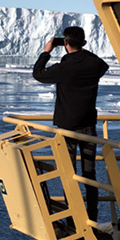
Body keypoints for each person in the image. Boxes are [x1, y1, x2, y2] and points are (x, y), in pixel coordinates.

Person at [33, 26, 109, 222]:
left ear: (65, 43)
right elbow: (102, 65)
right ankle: (92, 217)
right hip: (88, 126)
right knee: (89, 173)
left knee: (69, 174)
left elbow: (38, 73)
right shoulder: (94, 64)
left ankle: (73, 219)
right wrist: (80, 49)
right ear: (84, 43)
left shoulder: (63, 68)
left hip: (66, 127)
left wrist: (46, 52)